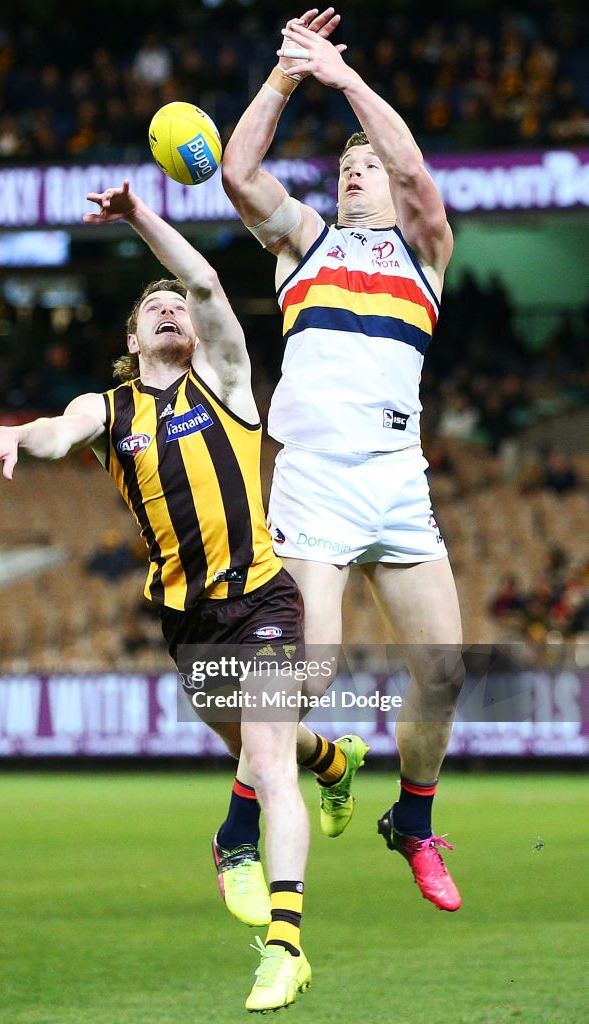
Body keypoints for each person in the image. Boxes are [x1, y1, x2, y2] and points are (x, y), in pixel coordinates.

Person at [0, 179, 367, 1011]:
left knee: (265, 766)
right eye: (155, 309)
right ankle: (338, 759)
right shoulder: (107, 409)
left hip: (261, 602)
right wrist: (12, 431)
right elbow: (55, 432)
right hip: (187, 622)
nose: (173, 310)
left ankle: (284, 945)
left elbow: (209, 287)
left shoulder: (223, 379)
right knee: (262, 752)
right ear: (131, 337)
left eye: (177, 305)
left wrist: (140, 217)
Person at [221, 6, 465, 912]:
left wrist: (347, 81)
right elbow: (239, 174)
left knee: (443, 672)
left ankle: (412, 820)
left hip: (396, 481)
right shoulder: (306, 245)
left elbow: (412, 171)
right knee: (304, 672)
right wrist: (287, 74)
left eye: (367, 164)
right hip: (316, 481)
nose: (358, 170)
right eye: (345, 165)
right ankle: (239, 833)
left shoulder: (426, 255)